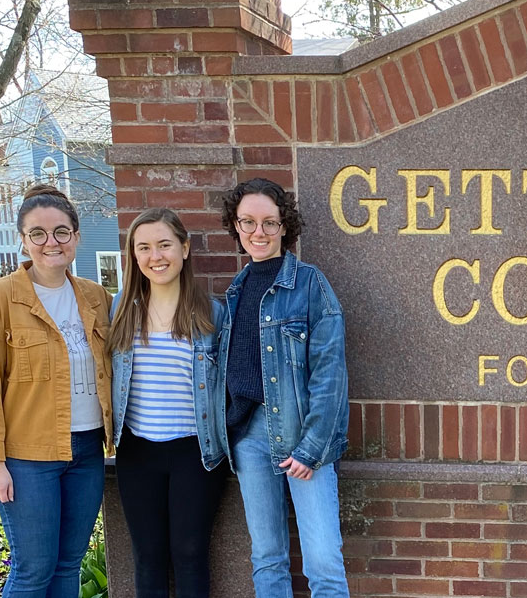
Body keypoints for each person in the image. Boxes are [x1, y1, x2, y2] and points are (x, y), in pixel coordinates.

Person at [0, 184, 113, 598]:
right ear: (23, 240)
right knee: (33, 570)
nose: (51, 243)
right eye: (38, 233)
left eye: (62, 232)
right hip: (27, 458)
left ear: (76, 238)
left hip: (86, 451)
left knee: (68, 566)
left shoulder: (96, 298)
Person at [217, 177, 350, 597]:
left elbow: (330, 374)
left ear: (284, 226)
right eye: (249, 222)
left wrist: (311, 448)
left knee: (323, 561)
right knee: (267, 558)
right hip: (249, 439)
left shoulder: (310, 284)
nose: (259, 232)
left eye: (269, 223)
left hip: (302, 437)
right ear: (236, 227)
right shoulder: (235, 292)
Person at [109, 208, 227, 598]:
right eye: (144, 248)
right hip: (137, 450)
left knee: (190, 552)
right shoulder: (120, 309)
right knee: (148, 555)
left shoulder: (212, 313)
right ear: (134, 256)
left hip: (195, 450)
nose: (155, 256)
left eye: (164, 245)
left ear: (185, 248)